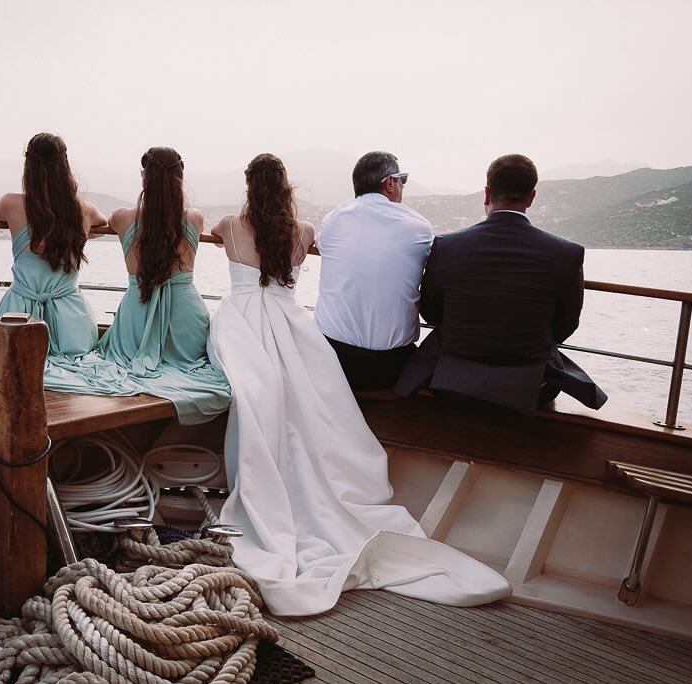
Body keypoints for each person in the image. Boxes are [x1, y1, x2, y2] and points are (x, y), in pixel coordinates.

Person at [208, 154, 511, 616]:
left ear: (248, 187)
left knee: (254, 392)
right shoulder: (307, 231)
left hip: (243, 326)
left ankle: (260, 498)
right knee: (309, 402)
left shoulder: (230, 226)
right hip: (293, 327)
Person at [394, 154, 608, 414]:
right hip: (530, 388)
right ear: (531, 197)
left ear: (486, 193)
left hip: (452, 381)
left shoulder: (447, 246)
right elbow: (565, 325)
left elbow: (431, 311)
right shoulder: (566, 254)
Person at [43, 147, 230, 424]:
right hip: (185, 321)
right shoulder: (194, 219)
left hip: (137, 317)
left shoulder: (121, 218)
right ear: (180, 178)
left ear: (144, 178)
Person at [315, 151, 434, 391]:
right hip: (391, 366)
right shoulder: (419, 229)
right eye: (403, 180)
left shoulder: (334, 220)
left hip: (333, 358)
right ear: (390, 183)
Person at [0, 133, 106, 357]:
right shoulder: (84, 210)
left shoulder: (11, 204)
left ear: (28, 166)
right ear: (64, 165)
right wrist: (73, 236)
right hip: (72, 325)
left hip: (18, 317)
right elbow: (104, 223)